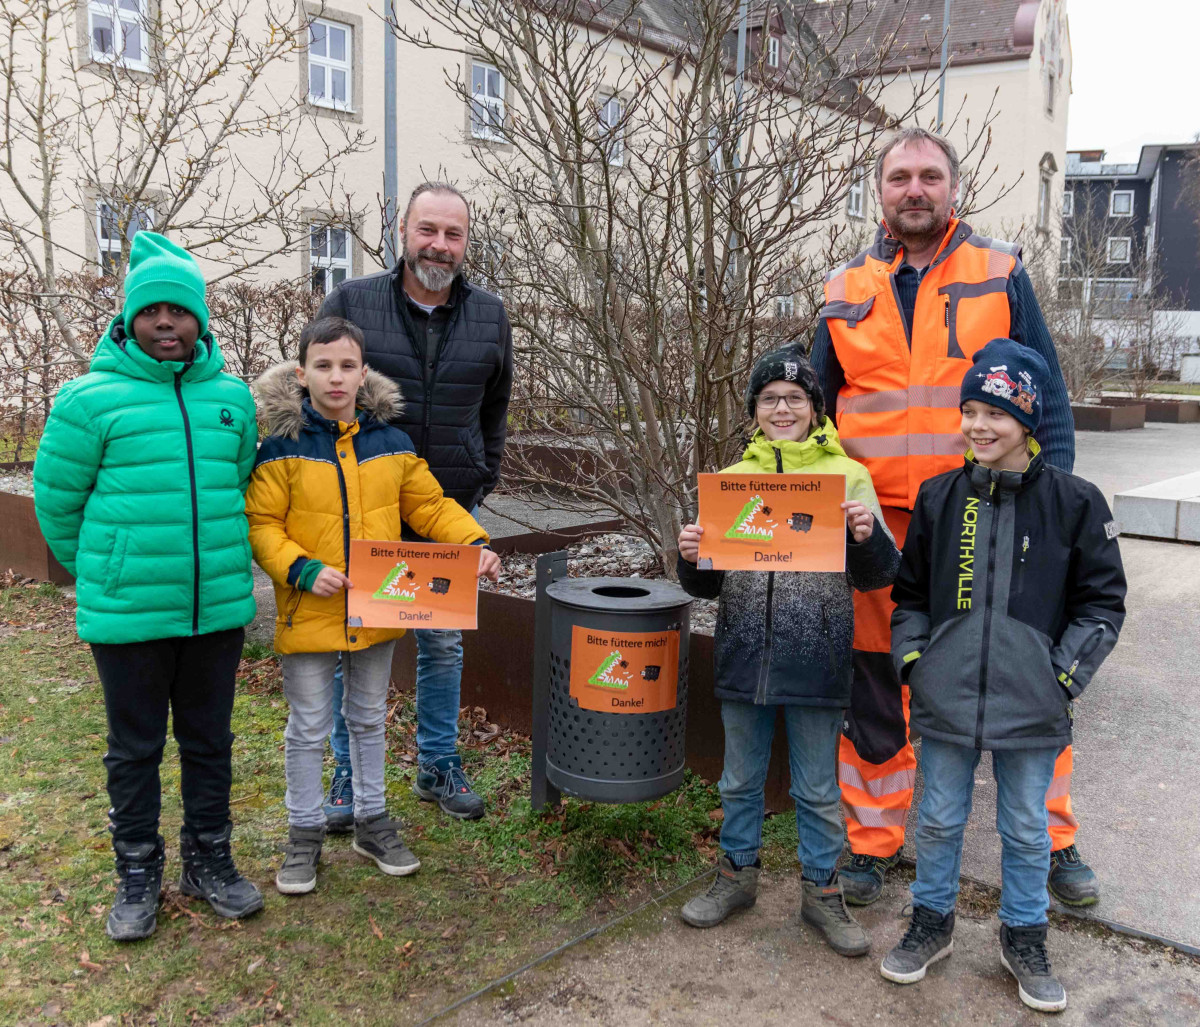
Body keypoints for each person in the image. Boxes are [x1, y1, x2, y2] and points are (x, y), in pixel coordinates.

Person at [808, 127, 1095, 909]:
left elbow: (1051, 398)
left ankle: (1055, 837)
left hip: (988, 516)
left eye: (929, 175)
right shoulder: (842, 287)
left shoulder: (999, 271)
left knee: (1021, 674)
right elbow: (809, 414)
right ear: (879, 191)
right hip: (877, 527)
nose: (914, 189)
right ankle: (872, 840)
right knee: (877, 678)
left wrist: (1053, 504)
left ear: (952, 187)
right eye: (899, 176)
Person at [880, 339, 1126, 1012]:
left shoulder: (1075, 502)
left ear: (1027, 420)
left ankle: (1024, 934)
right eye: (969, 411)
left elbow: (1103, 602)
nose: (978, 426)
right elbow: (909, 598)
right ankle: (932, 922)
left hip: (1032, 701)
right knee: (936, 819)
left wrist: (1062, 677)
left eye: (995, 412)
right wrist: (916, 663)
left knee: (1024, 826)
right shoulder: (940, 497)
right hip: (947, 696)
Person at [33, 232, 263, 940]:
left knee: (209, 741)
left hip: (216, 609)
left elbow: (243, 483)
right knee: (134, 748)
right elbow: (55, 500)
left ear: (201, 320)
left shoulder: (231, 398)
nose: (167, 322)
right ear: (129, 319)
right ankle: (137, 869)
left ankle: (209, 857)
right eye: (152, 310)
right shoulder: (87, 400)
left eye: (180, 310)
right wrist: (109, 567)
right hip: (130, 613)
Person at [245, 317, 501, 895]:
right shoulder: (279, 449)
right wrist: (302, 570)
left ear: (364, 374)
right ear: (302, 372)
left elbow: (430, 505)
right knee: (309, 727)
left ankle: (372, 820)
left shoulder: (391, 443)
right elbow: (260, 523)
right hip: (308, 611)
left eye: (347, 366)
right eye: (323, 365)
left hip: (378, 610)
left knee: (367, 719)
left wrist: (472, 543)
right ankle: (303, 833)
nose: (336, 378)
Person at [674, 347, 900, 957]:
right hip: (745, 655)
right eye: (770, 398)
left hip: (818, 657)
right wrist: (690, 553)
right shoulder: (729, 482)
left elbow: (880, 575)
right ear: (754, 411)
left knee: (819, 789)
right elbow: (704, 584)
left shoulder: (848, 476)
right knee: (740, 780)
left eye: (795, 398)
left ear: (814, 409)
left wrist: (867, 535)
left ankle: (823, 893)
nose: (782, 408)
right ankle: (735, 877)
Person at [318, 182, 513, 823]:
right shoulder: (352, 302)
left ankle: (437, 763)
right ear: (403, 232)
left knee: (443, 644)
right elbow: (323, 389)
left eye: (453, 234)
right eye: (428, 230)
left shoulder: (490, 315)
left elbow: (495, 408)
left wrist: (481, 475)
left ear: (466, 243)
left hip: (448, 507)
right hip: (366, 509)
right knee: (358, 646)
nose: (440, 245)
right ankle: (349, 772)